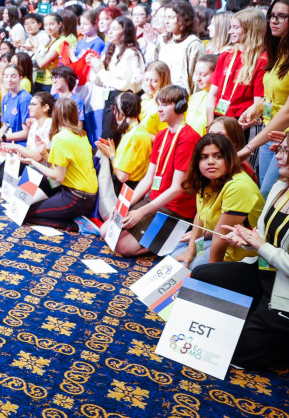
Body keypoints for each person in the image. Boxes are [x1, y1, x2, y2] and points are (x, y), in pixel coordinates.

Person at [191, 133, 289, 370]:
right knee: (203, 274)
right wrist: (245, 240)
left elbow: (265, 246)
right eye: (280, 149)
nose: (278, 156)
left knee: (233, 355)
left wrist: (260, 245)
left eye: (286, 151)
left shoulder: (242, 185)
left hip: (284, 291)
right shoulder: (280, 187)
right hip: (264, 272)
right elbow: (263, 237)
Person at [114, 85, 201, 256]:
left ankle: (175, 236)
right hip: (155, 199)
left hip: (176, 208)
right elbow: (148, 179)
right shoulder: (161, 135)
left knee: (123, 247)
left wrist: (141, 212)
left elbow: (176, 189)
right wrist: (124, 205)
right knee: (107, 230)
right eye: (159, 104)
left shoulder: (188, 138)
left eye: (165, 105)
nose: (159, 109)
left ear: (180, 107)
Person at [174, 133, 263, 269]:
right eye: (204, 157)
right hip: (219, 241)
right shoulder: (207, 179)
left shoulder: (239, 186)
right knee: (175, 254)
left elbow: (222, 235)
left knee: (195, 269)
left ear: (229, 158)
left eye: (218, 156)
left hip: (246, 256)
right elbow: (200, 216)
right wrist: (190, 252)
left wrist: (209, 273)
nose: (210, 162)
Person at [18, 98, 97, 229]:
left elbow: (58, 176)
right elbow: (62, 165)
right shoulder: (82, 135)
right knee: (42, 181)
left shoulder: (60, 138)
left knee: (28, 214)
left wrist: (32, 161)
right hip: (85, 195)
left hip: (76, 197)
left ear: (55, 114)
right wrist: (44, 152)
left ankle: (76, 225)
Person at [239, 0, 289, 193]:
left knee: (269, 192)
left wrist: (249, 147)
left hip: (285, 137)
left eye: (282, 16)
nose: (274, 21)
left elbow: (286, 112)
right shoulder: (278, 52)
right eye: (272, 16)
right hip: (269, 133)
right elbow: (274, 94)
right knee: (263, 193)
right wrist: (256, 108)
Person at [97, 91, 152, 194]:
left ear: (121, 114)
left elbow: (122, 176)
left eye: (115, 109)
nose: (113, 113)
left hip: (128, 189)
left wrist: (112, 155)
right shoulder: (140, 131)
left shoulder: (132, 137)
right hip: (136, 186)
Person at [159, 0, 205, 93]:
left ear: (185, 19)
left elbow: (196, 77)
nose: (166, 21)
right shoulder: (163, 41)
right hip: (162, 92)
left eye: (171, 17)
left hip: (181, 94)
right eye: (165, 17)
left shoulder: (193, 43)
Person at [186, 54, 217, 136]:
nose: (198, 79)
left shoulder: (221, 101)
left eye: (203, 75)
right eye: (196, 74)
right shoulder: (193, 98)